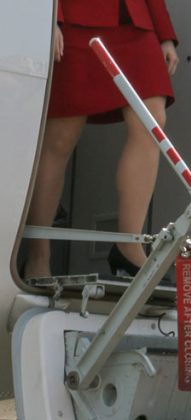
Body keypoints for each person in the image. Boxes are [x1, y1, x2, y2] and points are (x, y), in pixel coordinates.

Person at [23, 0, 178, 280]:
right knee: (60, 138)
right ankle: (38, 254)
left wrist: (164, 34)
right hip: (73, 17)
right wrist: (49, 16)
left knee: (151, 122)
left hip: (135, 22)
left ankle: (129, 245)